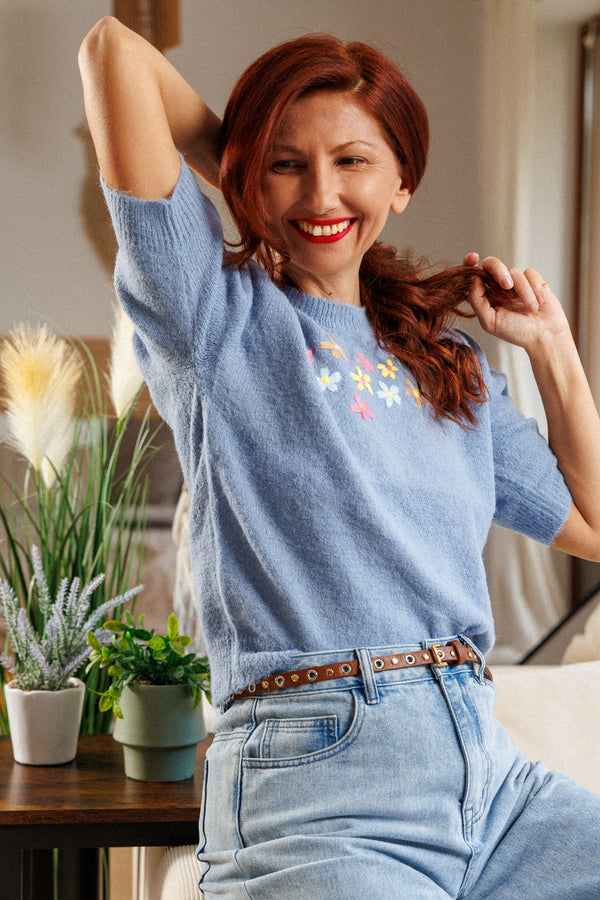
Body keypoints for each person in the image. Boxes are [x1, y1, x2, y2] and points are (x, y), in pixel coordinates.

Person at [79, 19, 600, 898]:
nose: (321, 189)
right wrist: (248, 183)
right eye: (290, 162)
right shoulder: (216, 319)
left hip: (494, 786)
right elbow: (112, 53)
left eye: (353, 162)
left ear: (404, 181)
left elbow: (592, 525)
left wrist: (552, 349)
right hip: (317, 785)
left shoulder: (451, 365)